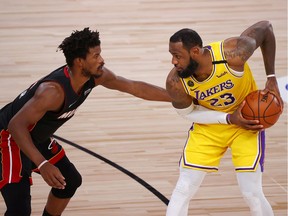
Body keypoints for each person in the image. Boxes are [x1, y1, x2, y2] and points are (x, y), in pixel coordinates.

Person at [0, 27, 171, 216]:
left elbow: (134, 87)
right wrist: (42, 163)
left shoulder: (96, 76)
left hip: (34, 137)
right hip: (8, 138)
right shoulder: (53, 92)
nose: (102, 60)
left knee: (69, 181)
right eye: (96, 56)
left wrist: (175, 98)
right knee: (19, 210)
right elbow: (16, 125)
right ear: (80, 61)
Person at [165, 20, 283, 216]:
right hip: (210, 125)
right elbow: (188, 113)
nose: (173, 62)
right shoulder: (175, 82)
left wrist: (271, 77)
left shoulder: (232, 53)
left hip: (247, 123)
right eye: (172, 56)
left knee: (251, 193)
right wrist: (228, 118)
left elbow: (266, 28)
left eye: (178, 56)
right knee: (183, 189)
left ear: (195, 51)